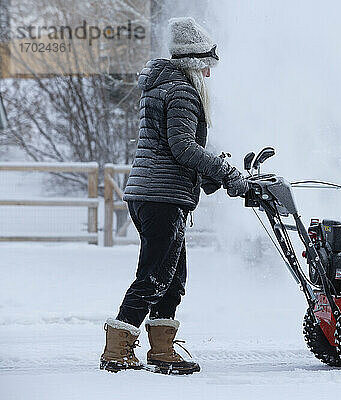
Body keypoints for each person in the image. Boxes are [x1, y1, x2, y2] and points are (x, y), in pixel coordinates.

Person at [100, 17, 248, 374]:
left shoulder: (161, 87)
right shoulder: (181, 90)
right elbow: (182, 148)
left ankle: (161, 350)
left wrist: (213, 176)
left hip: (153, 193)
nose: (210, 75)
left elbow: (173, 150)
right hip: (161, 196)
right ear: (194, 64)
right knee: (155, 275)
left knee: (172, 278)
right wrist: (225, 171)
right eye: (207, 67)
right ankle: (117, 349)